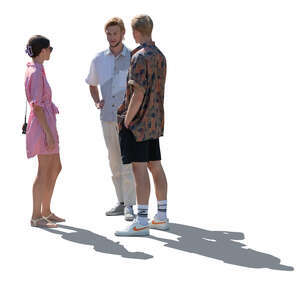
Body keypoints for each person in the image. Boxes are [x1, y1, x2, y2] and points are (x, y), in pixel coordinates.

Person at [115, 15, 168, 236]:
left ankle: (142, 221)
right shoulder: (161, 56)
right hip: (155, 121)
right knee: (155, 166)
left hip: (138, 123)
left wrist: (127, 120)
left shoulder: (139, 57)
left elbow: (138, 91)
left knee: (139, 169)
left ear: (135, 32)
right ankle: (162, 216)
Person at [86, 17, 136, 221]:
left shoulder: (134, 56)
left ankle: (131, 206)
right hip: (107, 118)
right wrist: (97, 101)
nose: (112, 37)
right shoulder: (98, 59)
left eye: (115, 33)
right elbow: (91, 83)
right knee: (114, 161)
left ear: (123, 33)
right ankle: (121, 202)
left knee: (129, 162)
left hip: (128, 119)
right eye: (109, 33)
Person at [24, 35, 65, 228]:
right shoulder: (36, 73)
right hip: (42, 126)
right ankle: (36, 215)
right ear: (43, 51)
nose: (51, 51)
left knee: (56, 166)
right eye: (50, 48)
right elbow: (37, 106)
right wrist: (48, 133)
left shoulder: (37, 69)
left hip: (46, 122)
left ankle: (46, 211)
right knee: (44, 170)